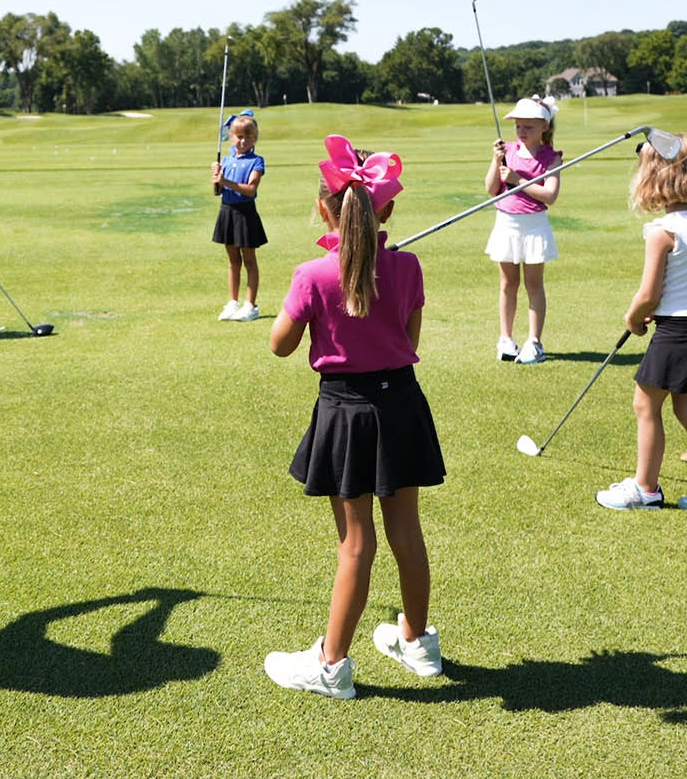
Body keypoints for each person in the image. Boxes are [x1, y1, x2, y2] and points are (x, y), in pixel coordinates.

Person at [263, 135, 446, 699]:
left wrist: (313, 293)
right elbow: (409, 339)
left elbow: (280, 345)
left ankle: (331, 665)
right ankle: (416, 642)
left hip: (347, 411)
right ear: (385, 209)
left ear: (324, 209)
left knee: (355, 544)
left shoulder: (312, 274)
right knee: (406, 532)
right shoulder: (408, 266)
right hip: (402, 403)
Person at [596, 134, 687, 523]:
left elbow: (649, 293)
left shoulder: (661, 230)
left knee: (645, 404)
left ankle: (645, 489)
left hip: (675, 333)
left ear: (655, 177)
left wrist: (633, 317)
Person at [483, 96, 563, 364]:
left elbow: (549, 195)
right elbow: (491, 188)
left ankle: (534, 342)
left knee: (533, 284)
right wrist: (497, 162)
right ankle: (506, 339)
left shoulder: (552, 158)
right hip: (506, 223)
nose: (522, 131)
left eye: (528, 126)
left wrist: (519, 179)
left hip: (534, 225)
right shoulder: (506, 150)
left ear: (544, 127)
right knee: (508, 284)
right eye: (519, 126)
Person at [211, 110, 266, 321]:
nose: (243, 141)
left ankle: (250, 305)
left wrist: (225, 181)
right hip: (227, 211)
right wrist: (216, 178)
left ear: (254, 139)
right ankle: (233, 303)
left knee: (249, 260)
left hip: (245, 213)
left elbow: (251, 189)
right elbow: (217, 192)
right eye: (239, 136)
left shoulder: (257, 161)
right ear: (231, 137)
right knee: (233, 261)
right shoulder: (225, 159)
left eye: (248, 137)